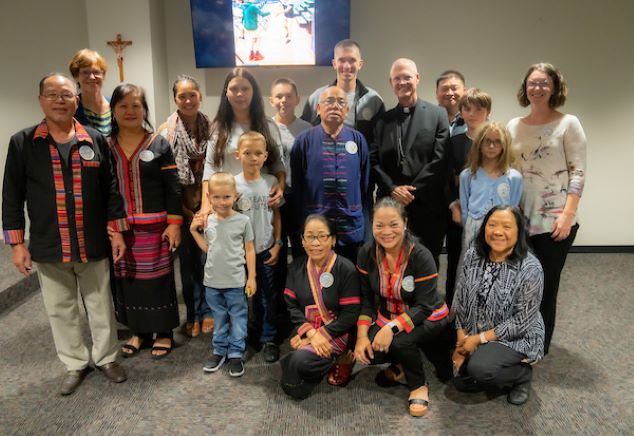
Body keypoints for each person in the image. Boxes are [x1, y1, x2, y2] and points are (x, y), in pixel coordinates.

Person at [2, 73, 128, 395]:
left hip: (92, 242)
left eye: (66, 95)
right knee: (61, 309)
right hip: (48, 242)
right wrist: (16, 244)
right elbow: (12, 196)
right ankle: (75, 363)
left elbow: (110, 190)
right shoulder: (22, 143)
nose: (59, 100)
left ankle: (107, 357)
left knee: (100, 304)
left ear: (76, 100)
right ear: (41, 100)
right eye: (52, 94)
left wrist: (116, 232)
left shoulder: (95, 140)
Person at [506, 63, 586, 355]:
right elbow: (509, 170)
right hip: (520, 220)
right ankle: (517, 336)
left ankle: (538, 344)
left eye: (543, 83)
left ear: (555, 88)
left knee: (545, 286)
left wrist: (567, 215)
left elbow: (577, 173)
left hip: (555, 222)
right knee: (520, 283)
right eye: (532, 83)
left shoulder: (568, 124)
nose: (537, 88)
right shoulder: (514, 125)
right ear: (525, 88)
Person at [354, 197, 450, 417]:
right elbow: (367, 302)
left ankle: (418, 384)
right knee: (370, 354)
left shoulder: (421, 256)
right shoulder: (366, 253)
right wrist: (361, 337)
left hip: (427, 315)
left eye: (393, 224)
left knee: (399, 340)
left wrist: (390, 329)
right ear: (372, 225)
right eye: (379, 225)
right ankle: (401, 365)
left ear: (405, 223)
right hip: (388, 313)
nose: (386, 231)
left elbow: (424, 307)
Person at [108, 84, 182, 360]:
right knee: (128, 281)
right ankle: (139, 332)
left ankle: (163, 333)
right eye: (123, 106)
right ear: (113, 110)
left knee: (158, 279)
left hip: (156, 228)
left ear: (144, 110)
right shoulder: (105, 146)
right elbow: (104, 190)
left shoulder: (158, 143)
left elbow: (173, 187)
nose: (130, 111)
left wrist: (174, 223)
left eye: (135, 105)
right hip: (121, 229)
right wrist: (111, 226)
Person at [452, 205, 545, 405]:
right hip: (477, 326)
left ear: (519, 232)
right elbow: (460, 297)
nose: (497, 231)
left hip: (515, 335)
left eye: (506, 226)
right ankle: (480, 365)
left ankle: (522, 376)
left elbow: (521, 322)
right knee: (459, 378)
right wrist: (461, 338)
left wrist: (477, 339)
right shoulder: (473, 255)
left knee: (479, 369)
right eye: (492, 225)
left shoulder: (531, 268)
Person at [301, 39, 385, 240]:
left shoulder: (374, 100)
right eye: (342, 60)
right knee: (323, 239)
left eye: (352, 60)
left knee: (360, 240)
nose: (347, 66)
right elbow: (306, 139)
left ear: (360, 64)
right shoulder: (317, 97)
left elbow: (378, 143)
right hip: (324, 185)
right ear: (334, 63)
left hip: (358, 185)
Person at [371, 58, 449, 267]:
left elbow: (439, 159)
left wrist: (410, 192)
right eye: (397, 78)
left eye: (407, 76)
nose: (402, 82)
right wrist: (393, 189)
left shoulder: (437, 114)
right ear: (391, 83)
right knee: (390, 263)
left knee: (427, 263)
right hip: (391, 205)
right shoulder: (382, 121)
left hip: (428, 206)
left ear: (417, 78)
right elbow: (374, 161)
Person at [280, 214, 360, 399]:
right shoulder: (296, 267)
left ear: (333, 240)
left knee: (297, 362)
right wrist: (310, 334)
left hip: (338, 333)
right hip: (310, 333)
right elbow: (291, 307)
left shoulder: (345, 268)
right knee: (292, 375)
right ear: (302, 241)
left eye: (322, 236)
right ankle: (329, 361)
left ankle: (340, 356)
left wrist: (318, 335)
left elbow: (350, 314)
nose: (315, 242)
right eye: (310, 236)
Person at [159, 74, 213, 338]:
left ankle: (209, 312)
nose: (188, 100)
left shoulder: (214, 129)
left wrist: (206, 206)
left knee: (209, 261)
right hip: (181, 209)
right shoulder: (165, 133)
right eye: (182, 96)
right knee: (188, 265)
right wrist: (184, 211)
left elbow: (220, 170)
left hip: (211, 207)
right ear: (175, 99)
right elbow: (164, 180)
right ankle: (193, 314)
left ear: (200, 96)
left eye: (193, 94)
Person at [291, 86, 370, 262]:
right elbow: (298, 185)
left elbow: (364, 182)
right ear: (318, 108)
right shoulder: (304, 141)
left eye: (341, 102)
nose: (335, 106)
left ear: (347, 110)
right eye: (329, 101)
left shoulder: (358, 139)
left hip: (349, 226)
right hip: (317, 228)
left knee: (349, 278)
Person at [190, 172, 256, 377]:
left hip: (235, 281)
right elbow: (208, 249)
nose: (221, 201)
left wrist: (251, 276)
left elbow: (249, 250)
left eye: (226, 196)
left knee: (238, 317)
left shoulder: (243, 221)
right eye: (216, 197)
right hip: (212, 282)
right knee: (219, 318)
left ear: (235, 196)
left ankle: (235, 352)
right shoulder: (208, 221)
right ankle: (219, 350)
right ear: (208, 197)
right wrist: (194, 232)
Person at [201, 67, 285, 215]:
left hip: (260, 205)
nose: (240, 94)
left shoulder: (269, 126)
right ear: (226, 93)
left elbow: (278, 164)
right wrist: (205, 205)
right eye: (234, 89)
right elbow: (210, 168)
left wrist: (281, 187)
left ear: (254, 92)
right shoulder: (218, 128)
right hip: (226, 206)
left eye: (245, 88)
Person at [234, 131, 283, 363]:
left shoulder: (271, 182)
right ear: (238, 155)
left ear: (265, 156)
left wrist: (279, 244)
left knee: (267, 297)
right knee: (243, 298)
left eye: (257, 153)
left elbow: (277, 216)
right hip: (240, 253)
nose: (252, 158)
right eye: (247, 153)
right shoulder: (233, 184)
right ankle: (246, 338)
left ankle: (269, 338)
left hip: (265, 249)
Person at [444, 88, 491, 305]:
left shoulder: (496, 141)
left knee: (488, 263)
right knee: (456, 263)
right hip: (461, 214)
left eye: (478, 109)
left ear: (487, 111)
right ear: (461, 112)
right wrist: (454, 206)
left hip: (490, 214)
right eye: (467, 108)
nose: (472, 113)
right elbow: (447, 179)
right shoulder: (454, 142)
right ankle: (453, 316)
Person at [459, 122, 523, 250]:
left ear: (504, 145)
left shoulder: (514, 177)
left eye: (497, 142)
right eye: (487, 141)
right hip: (474, 227)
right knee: (473, 263)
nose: (492, 146)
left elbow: (514, 208)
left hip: (501, 230)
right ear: (479, 144)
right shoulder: (468, 175)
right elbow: (464, 207)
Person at [269, 77, 311, 258]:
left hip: (299, 197)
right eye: (279, 96)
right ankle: (277, 286)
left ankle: (300, 285)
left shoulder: (307, 129)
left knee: (300, 244)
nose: (283, 101)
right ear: (271, 100)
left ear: (297, 99)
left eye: (288, 96)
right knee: (275, 245)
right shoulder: (265, 127)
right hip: (273, 195)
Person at [68, 49, 112, 135]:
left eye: (96, 72)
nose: (92, 77)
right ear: (76, 76)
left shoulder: (115, 104)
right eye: (85, 72)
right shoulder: (71, 109)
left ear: (103, 75)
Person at [436, 70, 467, 136]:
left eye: (454, 88)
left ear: (465, 92)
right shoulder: (427, 119)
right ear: (436, 92)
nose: (450, 93)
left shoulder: (474, 120)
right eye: (445, 89)